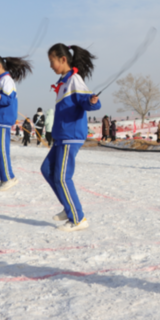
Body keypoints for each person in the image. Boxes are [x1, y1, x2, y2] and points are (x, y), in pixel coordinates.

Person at [41, 43, 101, 232]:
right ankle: (69, 208)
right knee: (47, 169)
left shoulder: (74, 80)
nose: (50, 65)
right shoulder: (63, 82)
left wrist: (91, 101)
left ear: (63, 59)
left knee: (62, 177)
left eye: (52, 61)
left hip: (71, 135)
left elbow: (87, 103)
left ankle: (78, 218)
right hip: (61, 136)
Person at [0, 54, 32, 191]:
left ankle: (8, 178)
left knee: (1, 150)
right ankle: (4, 178)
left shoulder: (6, 80)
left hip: (3, 119)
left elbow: (9, 99)